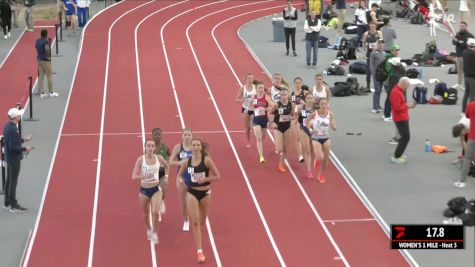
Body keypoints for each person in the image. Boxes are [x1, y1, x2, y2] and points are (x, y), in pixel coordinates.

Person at [177, 138, 221, 263]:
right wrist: (183, 182)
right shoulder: (186, 161)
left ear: (200, 147)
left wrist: (206, 179)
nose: (195, 147)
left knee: (202, 222)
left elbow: (218, 176)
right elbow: (180, 175)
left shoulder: (206, 160)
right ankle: (199, 252)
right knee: (195, 222)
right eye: (193, 145)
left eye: (197, 145)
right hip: (192, 192)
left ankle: (199, 232)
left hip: (205, 193)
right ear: (191, 147)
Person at [131, 140, 168, 244]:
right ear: (145, 147)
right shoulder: (140, 160)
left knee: (155, 212)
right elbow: (134, 176)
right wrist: (143, 176)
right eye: (148, 146)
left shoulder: (159, 158)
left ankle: (155, 232)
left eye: (152, 146)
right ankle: (148, 229)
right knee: (146, 214)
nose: (151, 148)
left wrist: (166, 176)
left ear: (154, 148)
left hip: (156, 189)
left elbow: (166, 165)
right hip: (144, 190)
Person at [3, 108, 33, 212]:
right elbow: (13, 147)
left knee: (9, 181)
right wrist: (25, 148)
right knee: (13, 182)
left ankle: (7, 203)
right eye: (18, 115)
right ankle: (13, 205)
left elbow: (13, 142)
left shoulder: (8, 127)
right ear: (15, 117)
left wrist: (23, 140)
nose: (20, 116)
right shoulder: (12, 129)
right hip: (14, 159)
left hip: (9, 158)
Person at [306, 97, 336, 182]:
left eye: (325, 104)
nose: (324, 105)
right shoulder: (315, 113)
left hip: (326, 138)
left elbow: (333, 123)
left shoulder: (330, 114)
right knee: (320, 157)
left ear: (327, 105)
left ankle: (321, 175)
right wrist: (310, 130)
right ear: (319, 105)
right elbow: (306, 121)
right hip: (316, 138)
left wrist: (333, 126)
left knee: (325, 160)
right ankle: (317, 159)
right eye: (322, 104)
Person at [169, 128, 193, 231]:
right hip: (182, 177)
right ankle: (186, 221)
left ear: (192, 136)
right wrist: (180, 163)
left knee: (196, 200)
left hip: (194, 177)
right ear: (182, 136)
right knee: (183, 202)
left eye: (189, 135)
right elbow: (170, 162)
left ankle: (196, 216)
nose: (187, 137)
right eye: (185, 135)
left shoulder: (195, 146)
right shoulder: (178, 147)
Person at [270, 89, 297, 172]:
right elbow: (271, 113)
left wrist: (291, 118)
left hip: (287, 126)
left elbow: (294, 115)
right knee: (279, 149)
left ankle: (280, 164)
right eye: (282, 95)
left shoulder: (292, 104)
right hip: (278, 126)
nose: (284, 96)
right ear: (280, 96)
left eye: (285, 95)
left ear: (288, 95)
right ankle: (277, 144)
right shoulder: (276, 104)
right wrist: (272, 123)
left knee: (286, 148)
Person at [390, 77, 415, 164]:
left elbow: (400, 105)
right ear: (403, 84)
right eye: (407, 86)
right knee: (405, 137)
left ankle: (398, 154)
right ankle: (396, 156)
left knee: (403, 137)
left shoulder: (398, 91)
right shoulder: (396, 92)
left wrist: (407, 105)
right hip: (400, 118)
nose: (406, 88)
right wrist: (407, 105)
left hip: (402, 117)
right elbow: (397, 108)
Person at [455, 99, 475, 188]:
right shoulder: (461, 126)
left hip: (473, 136)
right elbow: (462, 141)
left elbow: (467, 115)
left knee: (467, 158)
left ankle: (462, 182)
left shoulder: (471, 105)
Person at [151, 128, 169, 221]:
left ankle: (161, 201)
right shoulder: (149, 147)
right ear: (152, 135)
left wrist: (166, 176)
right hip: (152, 174)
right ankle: (157, 212)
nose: (157, 136)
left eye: (159, 134)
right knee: (154, 193)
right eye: (155, 134)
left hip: (161, 173)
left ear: (162, 135)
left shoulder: (165, 147)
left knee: (163, 191)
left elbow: (168, 161)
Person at [252, 83, 273, 163]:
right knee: (259, 138)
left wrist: (265, 109)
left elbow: (272, 106)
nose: (261, 89)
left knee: (263, 138)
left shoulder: (266, 97)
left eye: (262, 88)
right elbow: (252, 106)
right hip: (256, 120)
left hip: (264, 120)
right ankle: (261, 157)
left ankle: (259, 147)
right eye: (259, 87)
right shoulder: (254, 97)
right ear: (256, 89)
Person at [36, 29, 59, 98]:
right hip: (46, 61)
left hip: (39, 60)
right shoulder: (46, 41)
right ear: (46, 34)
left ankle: (41, 93)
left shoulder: (37, 41)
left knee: (41, 77)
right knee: (49, 76)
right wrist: (49, 59)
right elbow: (47, 51)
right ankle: (51, 92)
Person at [235, 73, 256, 148]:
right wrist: (241, 100)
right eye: (249, 78)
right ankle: (249, 141)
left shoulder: (255, 87)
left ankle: (255, 140)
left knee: (252, 126)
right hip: (245, 109)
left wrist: (256, 102)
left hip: (254, 109)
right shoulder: (242, 88)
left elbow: (260, 97)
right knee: (247, 128)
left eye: (251, 78)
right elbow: (236, 99)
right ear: (246, 79)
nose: (250, 80)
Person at [298, 92, 315, 178]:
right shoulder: (302, 107)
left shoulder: (316, 108)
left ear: (313, 99)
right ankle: (309, 170)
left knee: (313, 151)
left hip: (314, 131)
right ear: (305, 99)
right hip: (304, 129)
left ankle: (312, 162)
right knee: (307, 151)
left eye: (311, 98)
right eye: (308, 98)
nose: (309, 100)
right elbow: (296, 116)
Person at [290, 77, 307, 162]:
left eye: (299, 83)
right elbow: (292, 108)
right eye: (296, 83)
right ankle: (300, 155)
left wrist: (304, 104)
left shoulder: (305, 93)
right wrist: (296, 109)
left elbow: (309, 104)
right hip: (295, 117)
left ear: (301, 83)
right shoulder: (292, 94)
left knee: (305, 136)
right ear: (294, 84)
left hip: (304, 117)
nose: (298, 84)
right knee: (298, 137)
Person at [453, 22, 473, 90]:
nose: (461, 27)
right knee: (459, 71)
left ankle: (466, 85)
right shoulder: (457, 34)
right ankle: (459, 84)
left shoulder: (470, 35)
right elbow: (453, 41)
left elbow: (467, 45)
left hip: (465, 56)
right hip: (458, 55)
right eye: (460, 26)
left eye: (463, 26)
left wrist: (459, 42)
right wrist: (459, 42)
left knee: (465, 71)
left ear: (466, 27)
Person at [382, 44, 401, 122]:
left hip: (389, 81)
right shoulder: (390, 60)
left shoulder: (391, 58)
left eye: (398, 50)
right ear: (392, 51)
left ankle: (386, 114)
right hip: (389, 81)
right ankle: (387, 115)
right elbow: (390, 71)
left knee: (389, 98)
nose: (397, 52)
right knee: (390, 98)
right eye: (395, 50)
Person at [362, 22, 383, 91]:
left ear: (376, 27)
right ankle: (368, 85)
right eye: (371, 27)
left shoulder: (379, 33)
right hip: (370, 53)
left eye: (373, 27)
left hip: (377, 52)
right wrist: (364, 52)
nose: (372, 28)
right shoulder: (366, 33)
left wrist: (379, 48)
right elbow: (364, 43)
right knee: (369, 69)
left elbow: (382, 42)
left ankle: (379, 84)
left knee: (379, 68)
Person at [370, 39, 386, 113]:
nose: (381, 45)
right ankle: (374, 107)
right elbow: (371, 65)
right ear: (377, 44)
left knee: (380, 91)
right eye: (379, 44)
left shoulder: (384, 53)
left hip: (382, 75)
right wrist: (374, 74)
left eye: (382, 44)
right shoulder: (373, 53)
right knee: (377, 91)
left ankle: (378, 105)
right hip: (376, 75)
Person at [462, 38, 475, 114]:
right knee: (472, 95)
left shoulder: (464, 52)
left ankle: (463, 111)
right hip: (473, 77)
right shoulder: (473, 54)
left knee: (466, 94)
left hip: (466, 76)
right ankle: (471, 112)